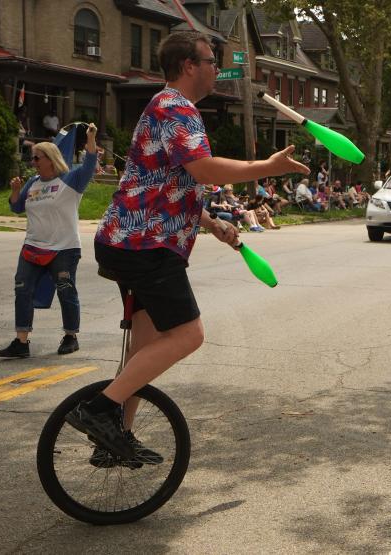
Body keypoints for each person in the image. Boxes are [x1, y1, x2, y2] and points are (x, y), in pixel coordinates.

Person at [73, 31, 309, 462]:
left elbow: (162, 183)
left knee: (144, 347)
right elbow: (201, 170)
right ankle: (99, 409)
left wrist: (211, 221)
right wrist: (267, 167)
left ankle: (114, 439)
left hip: (128, 240)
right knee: (188, 335)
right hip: (146, 246)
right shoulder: (175, 107)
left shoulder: (166, 108)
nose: (216, 69)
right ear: (188, 66)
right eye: (210, 62)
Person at [0, 125, 99, 359]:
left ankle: (71, 336)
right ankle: (21, 342)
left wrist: (90, 138)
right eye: (32, 158)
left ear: (51, 159)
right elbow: (16, 207)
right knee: (22, 290)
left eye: (37, 158)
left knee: (66, 291)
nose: (33, 162)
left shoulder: (71, 180)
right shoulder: (33, 183)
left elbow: (91, 162)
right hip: (32, 246)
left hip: (64, 248)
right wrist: (15, 191)